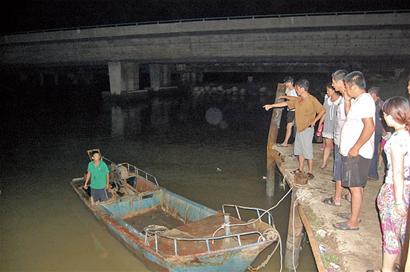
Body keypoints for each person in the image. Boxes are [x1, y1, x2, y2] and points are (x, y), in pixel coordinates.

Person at [333, 71, 375, 231]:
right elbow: (350, 117)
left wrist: (355, 148)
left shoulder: (365, 101)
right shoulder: (359, 100)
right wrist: (347, 100)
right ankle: (354, 215)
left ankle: (353, 222)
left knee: (355, 188)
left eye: (346, 87)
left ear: (352, 86)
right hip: (352, 152)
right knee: (355, 186)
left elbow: (369, 127)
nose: (345, 89)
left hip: (357, 153)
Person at [263, 79, 325, 179]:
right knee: (299, 151)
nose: (296, 90)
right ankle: (300, 168)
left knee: (307, 152)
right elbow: (286, 104)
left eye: (297, 88)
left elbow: (322, 110)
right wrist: (271, 106)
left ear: (302, 88)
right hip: (299, 129)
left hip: (307, 129)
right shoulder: (299, 100)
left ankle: (309, 171)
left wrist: (315, 121)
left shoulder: (312, 99)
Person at [376, 96, 410, 272]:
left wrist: (398, 201)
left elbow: (397, 172)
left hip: (396, 191)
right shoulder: (406, 135)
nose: (383, 117)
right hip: (407, 189)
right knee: (403, 233)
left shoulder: (397, 140)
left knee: (390, 234)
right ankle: (400, 265)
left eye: (386, 114)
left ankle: (386, 269)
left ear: (396, 115)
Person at [323, 69, 348, 206]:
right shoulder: (344, 99)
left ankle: (337, 199)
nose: (332, 86)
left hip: (345, 142)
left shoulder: (347, 100)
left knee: (341, 169)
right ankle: (344, 195)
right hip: (340, 139)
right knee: (342, 169)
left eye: (333, 82)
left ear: (341, 82)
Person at [318, 83, 342, 169]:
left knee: (338, 146)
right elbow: (325, 112)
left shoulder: (341, 100)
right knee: (327, 144)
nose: (327, 92)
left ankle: (338, 165)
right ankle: (324, 162)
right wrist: (320, 123)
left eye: (329, 90)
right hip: (328, 124)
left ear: (334, 90)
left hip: (338, 126)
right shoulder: (327, 100)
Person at [368, 87, 385, 181]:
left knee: (373, 152)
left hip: (376, 131)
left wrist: (384, 132)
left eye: (370, 95)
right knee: (372, 151)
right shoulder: (373, 103)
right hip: (372, 130)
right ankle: (371, 173)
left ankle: (373, 174)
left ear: (375, 95)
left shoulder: (381, 105)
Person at [278, 76, 298, 147]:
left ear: (292, 83)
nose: (286, 84)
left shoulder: (296, 90)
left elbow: (297, 99)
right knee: (289, 127)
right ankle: (286, 142)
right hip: (290, 110)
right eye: (286, 82)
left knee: (296, 127)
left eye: (288, 82)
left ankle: (294, 143)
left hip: (296, 111)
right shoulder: (287, 89)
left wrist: (285, 97)